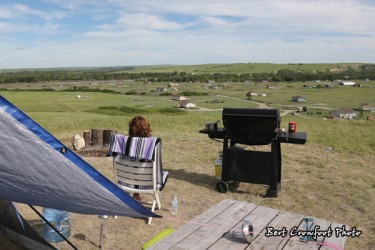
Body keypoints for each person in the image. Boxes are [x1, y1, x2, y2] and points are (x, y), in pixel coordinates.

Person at [127, 116, 152, 201]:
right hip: (148, 181)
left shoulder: (124, 143)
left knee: (135, 168)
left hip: (126, 179)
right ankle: (136, 193)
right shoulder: (152, 144)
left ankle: (135, 193)